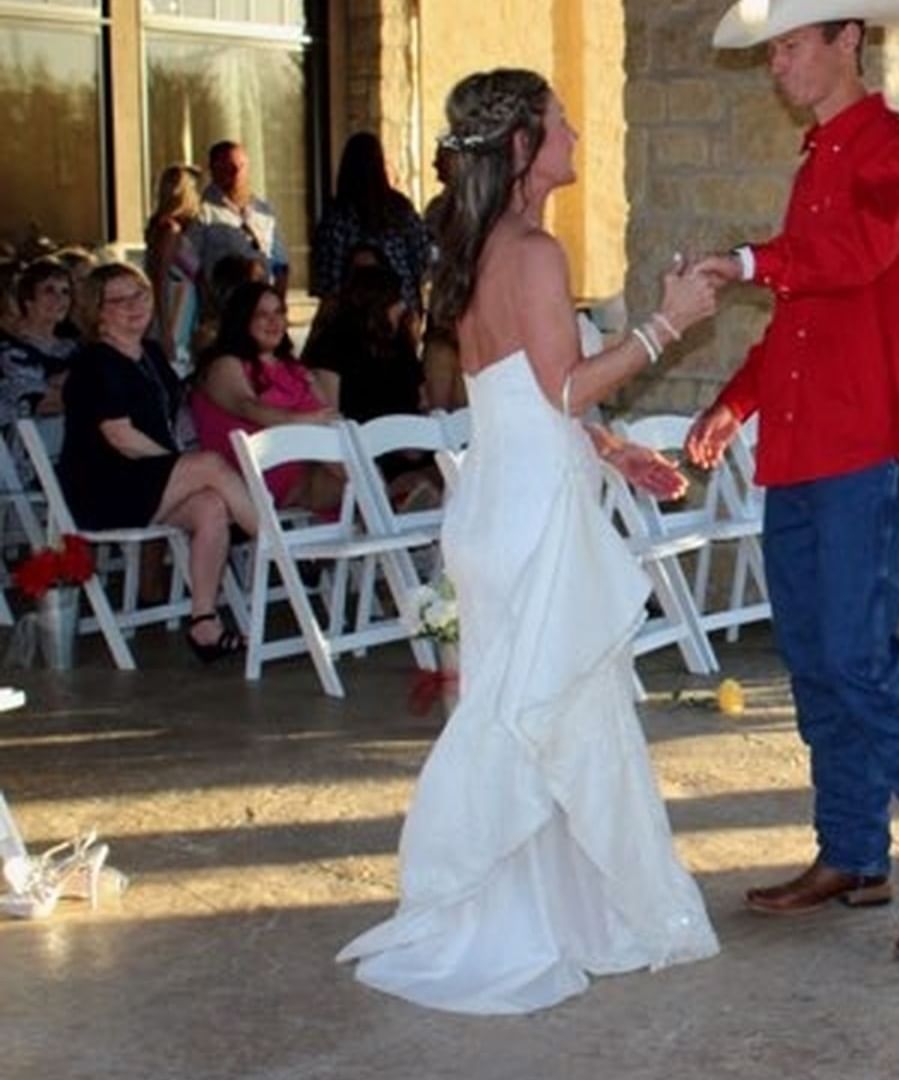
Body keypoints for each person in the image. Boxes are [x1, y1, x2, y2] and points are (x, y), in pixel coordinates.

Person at [338, 67, 720, 1014]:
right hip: (532, 515)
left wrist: (612, 448)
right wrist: (669, 321)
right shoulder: (534, 250)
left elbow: (523, 396)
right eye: (561, 123)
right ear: (522, 148)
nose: (577, 136)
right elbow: (560, 386)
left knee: (548, 713)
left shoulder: (475, 250)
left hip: (505, 501)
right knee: (548, 715)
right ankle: (537, 914)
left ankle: (565, 913)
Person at [688, 2, 899, 958]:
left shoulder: (896, 151)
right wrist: (737, 402)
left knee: (862, 660)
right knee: (818, 663)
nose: (777, 64)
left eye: (789, 44)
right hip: (802, 452)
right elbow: (802, 320)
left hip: (866, 448)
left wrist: (748, 259)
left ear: (845, 40)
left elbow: (850, 260)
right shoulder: (819, 158)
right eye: (773, 49)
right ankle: (854, 854)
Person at [56, 263, 257, 662]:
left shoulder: (148, 353)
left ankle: (204, 624)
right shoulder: (95, 362)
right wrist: (183, 464)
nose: (134, 306)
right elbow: (121, 437)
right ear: (98, 311)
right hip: (106, 486)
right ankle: (278, 548)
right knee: (210, 466)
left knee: (211, 506)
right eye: (119, 300)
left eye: (140, 294)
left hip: (145, 480)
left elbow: (177, 409)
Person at [187, 282, 341, 511]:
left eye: (279, 312)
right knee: (355, 471)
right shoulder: (225, 365)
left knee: (353, 467)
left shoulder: (293, 367)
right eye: (262, 314)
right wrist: (307, 423)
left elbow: (327, 414)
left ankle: (390, 516)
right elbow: (248, 407)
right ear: (242, 320)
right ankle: (392, 518)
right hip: (257, 473)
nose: (274, 321)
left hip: (306, 463)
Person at [312, 132, 433, 312]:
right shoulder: (400, 209)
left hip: (353, 313)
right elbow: (423, 259)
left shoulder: (337, 216)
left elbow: (328, 279)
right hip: (401, 306)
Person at [302, 262, 427, 424]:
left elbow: (423, 398)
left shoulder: (399, 344)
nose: (402, 306)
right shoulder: (332, 345)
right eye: (395, 300)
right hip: (360, 440)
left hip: (409, 434)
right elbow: (330, 410)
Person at [193, 141, 289, 294]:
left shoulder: (263, 210)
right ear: (214, 169)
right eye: (229, 167)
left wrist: (279, 300)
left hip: (262, 302)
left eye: (241, 166)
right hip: (223, 304)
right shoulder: (201, 212)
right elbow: (193, 268)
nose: (236, 172)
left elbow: (280, 263)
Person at [0, 259, 77, 424]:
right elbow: (37, 401)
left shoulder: (74, 348)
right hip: (28, 443)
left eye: (65, 292)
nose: (59, 299)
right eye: (49, 291)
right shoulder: (10, 352)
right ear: (28, 299)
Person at [144, 164, 203, 373]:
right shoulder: (170, 230)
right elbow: (160, 276)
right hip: (174, 304)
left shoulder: (174, 228)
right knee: (175, 364)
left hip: (184, 303)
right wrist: (166, 328)